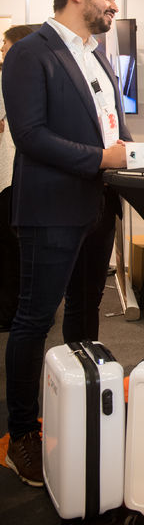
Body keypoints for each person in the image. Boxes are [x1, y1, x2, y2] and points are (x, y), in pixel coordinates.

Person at [2, 0, 131, 487]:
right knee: (35, 320)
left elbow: (108, 126)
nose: (113, 5)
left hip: (98, 205)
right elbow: (30, 135)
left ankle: (80, 406)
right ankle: (21, 435)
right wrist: (100, 159)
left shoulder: (96, 55)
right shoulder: (30, 52)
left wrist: (130, 159)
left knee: (85, 309)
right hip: (52, 208)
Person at [0, 25, 34, 330]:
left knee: (11, 248)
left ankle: (10, 311)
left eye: (5, 45)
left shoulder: (11, 80)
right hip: (14, 175)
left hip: (12, 176)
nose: (2, 51)